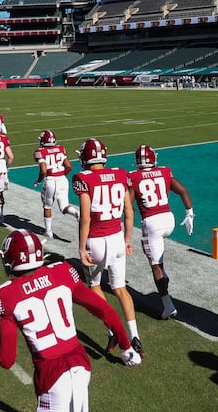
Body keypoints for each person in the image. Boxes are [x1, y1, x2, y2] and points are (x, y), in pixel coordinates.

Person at [0, 229, 141, 412]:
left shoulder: (4, 295)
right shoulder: (62, 271)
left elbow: (6, 360)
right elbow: (104, 309)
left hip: (50, 374)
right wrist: (126, 347)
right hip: (81, 365)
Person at [72, 137, 144, 358]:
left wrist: (81, 247)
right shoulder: (120, 174)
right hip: (117, 238)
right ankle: (135, 336)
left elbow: (85, 219)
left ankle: (113, 330)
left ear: (85, 158)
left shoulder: (83, 178)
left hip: (96, 240)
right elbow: (129, 213)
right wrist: (128, 239)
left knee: (95, 286)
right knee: (120, 288)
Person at [127, 144, 194, 319]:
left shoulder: (133, 176)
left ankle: (168, 306)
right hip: (168, 219)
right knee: (158, 261)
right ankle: (163, 276)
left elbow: (129, 203)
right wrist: (189, 214)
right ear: (153, 158)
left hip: (152, 224)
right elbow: (183, 191)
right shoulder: (164, 171)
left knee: (155, 267)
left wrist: (130, 209)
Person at [32, 129, 79, 238]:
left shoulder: (40, 152)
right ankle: (76, 213)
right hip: (62, 179)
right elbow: (69, 166)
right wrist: (61, 175)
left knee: (47, 207)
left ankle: (48, 231)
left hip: (51, 181)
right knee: (64, 207)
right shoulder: (61, 149)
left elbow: (43, 170)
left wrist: (38, 181)